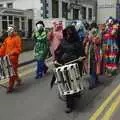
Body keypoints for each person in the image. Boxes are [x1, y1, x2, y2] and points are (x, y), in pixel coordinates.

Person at [54, 25, 85, 113]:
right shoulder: (63, 42)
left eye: (70, 33)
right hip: (65, 66)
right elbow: (58, 52)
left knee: (74, 83)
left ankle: (77, 93)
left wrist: (81, 57)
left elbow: (82, 53)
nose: (68, 35)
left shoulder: (77, 42)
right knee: (68, 85)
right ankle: (70, 105)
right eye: (67, 33)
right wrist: (56, 59)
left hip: (75, 65)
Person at [0, 25, 22, 93]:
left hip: (13, 58)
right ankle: (18, 79)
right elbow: (3, 48)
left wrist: (12, 53)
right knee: (13, 72)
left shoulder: (17, 38)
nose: (8, 32)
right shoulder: (7, 39)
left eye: (9, 31)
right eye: (8, 31)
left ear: (13, 31)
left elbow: (18, 48)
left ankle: (10, 87)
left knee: (11, 73)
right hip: (7, 59)